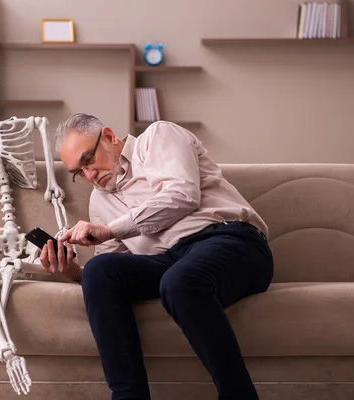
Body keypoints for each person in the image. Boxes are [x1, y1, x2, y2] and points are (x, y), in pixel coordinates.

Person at [39, 113, 274, 400]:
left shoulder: (157, 138)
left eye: (88, 160)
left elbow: (183, 195)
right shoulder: (101, 201)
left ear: (110, 137)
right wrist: (71, 269)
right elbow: (112, 269)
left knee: (180, 282)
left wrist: (110, 229)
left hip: (231, 241)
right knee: (100, 270)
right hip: (170, 262)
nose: (90, 176)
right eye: (79, 172)